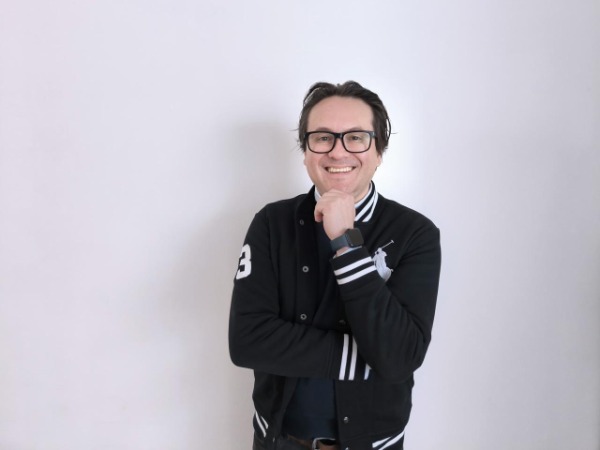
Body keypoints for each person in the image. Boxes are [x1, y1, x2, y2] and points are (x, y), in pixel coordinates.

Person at [229, 81, 442, 450]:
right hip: (278, 440)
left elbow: (401, 356)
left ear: (379, 151)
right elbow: (247, 342)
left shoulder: (415, 234)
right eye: (323, 137)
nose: (338, 151)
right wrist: (368, 360)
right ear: (306, 151)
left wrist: (345, 240)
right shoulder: (272, 223)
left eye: (356, 137)